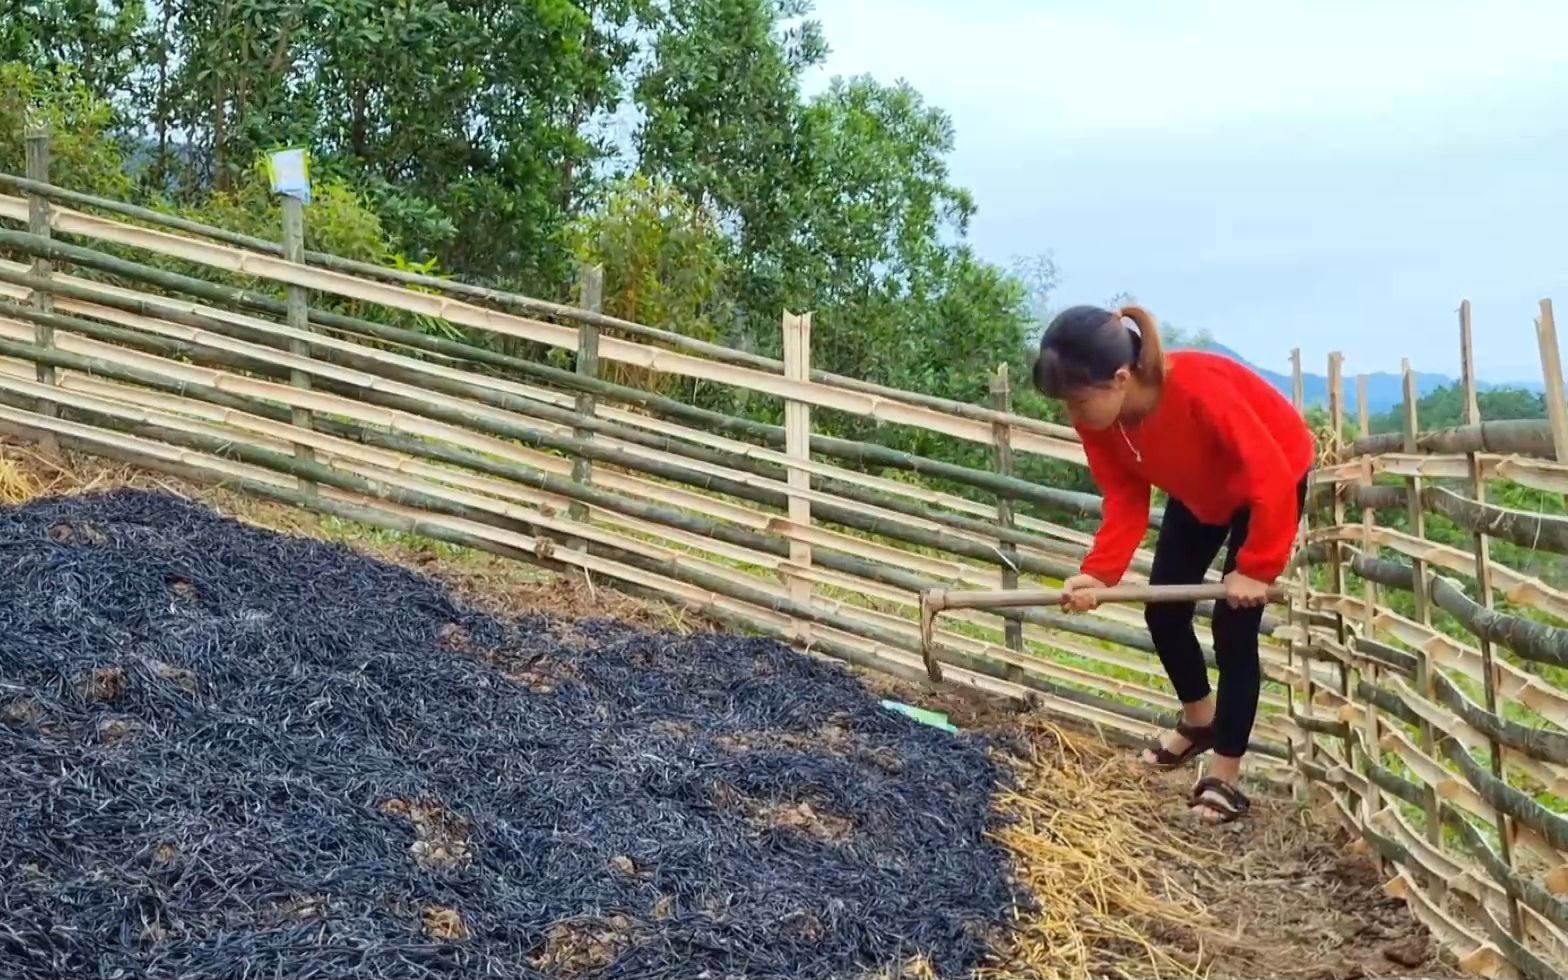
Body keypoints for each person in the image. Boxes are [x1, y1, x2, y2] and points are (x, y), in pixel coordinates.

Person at [1031, 304, 1314, 823]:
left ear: (1120, 378)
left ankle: (1226, 774)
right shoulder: (1102, 422)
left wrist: (1257, 566)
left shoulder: (1199, 389)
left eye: (1077, 401)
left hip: (1269, 480)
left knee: (1234, 625)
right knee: (1163, 611)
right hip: (1198, 490)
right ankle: (1199, 720)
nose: (1072, 416)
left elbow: (1270, 475)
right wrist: (1099, 573)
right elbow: (1123, 494)